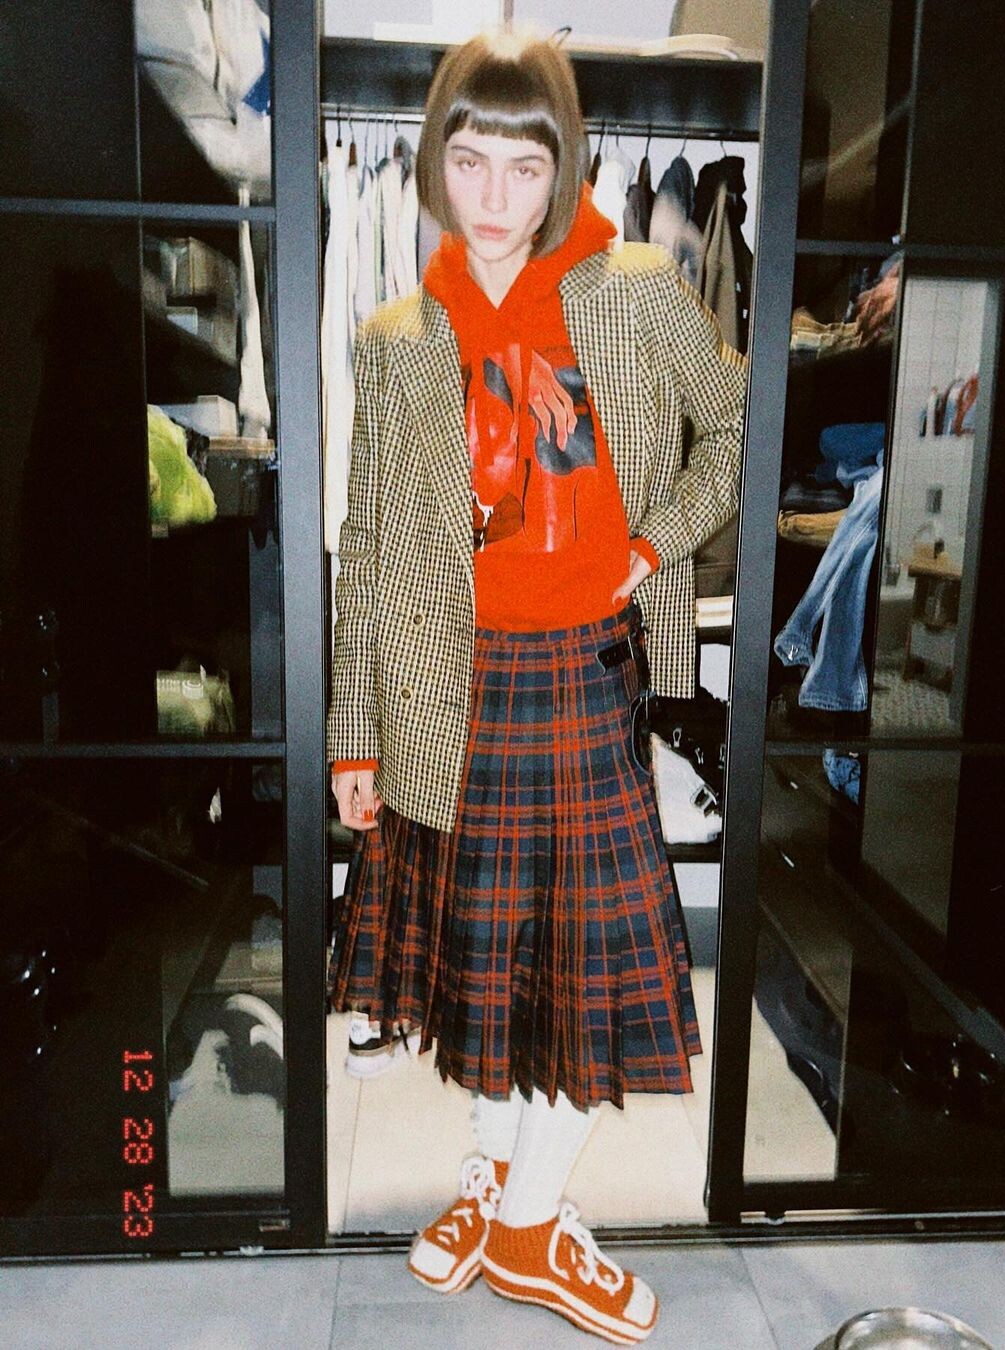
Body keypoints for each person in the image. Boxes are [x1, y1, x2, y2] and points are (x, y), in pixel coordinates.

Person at [326, 27, 746, 1345]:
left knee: (587, 965)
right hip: (447, 690)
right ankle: (495, 1180)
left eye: (526, 163)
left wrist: (649, 545)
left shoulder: (634, 289)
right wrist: (353, 735)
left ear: (564, 166)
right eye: (471, 160)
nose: (497, 194)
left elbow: (732, 427)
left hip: (582, 676)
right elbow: (369, 546)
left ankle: (523, 1224)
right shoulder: (400, 337)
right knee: (488, 962)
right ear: (433, 164)